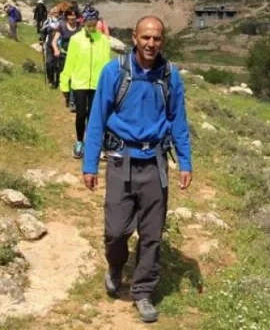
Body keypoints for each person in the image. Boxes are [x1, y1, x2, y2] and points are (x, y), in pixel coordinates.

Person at [81, 16, 193, 324]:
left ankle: (143, 291)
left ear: (163, 41)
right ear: (134, 37)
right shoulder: (114, 72)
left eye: (156, 38)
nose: (150, 44)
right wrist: (89, 164)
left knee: (152, 234)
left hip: (155, 164)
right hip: (120, 160)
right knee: (116, 231)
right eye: (145, 37)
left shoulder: (170, 76)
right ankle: (116, 266)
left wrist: (185, 161)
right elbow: (96, 121)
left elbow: (178, 121)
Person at [60, 7, 112, 159]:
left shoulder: (103, 40)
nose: (91, 26)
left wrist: (108, 84)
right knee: (81, 114)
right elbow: (69, 62)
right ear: (83, 22)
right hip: (79, 83)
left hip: (97, 83)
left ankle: (97, 144)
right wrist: (64, 83)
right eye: (88, 23)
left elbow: (107, 63)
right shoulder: (76, 40)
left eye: (93, 23)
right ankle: (79, 142)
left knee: (95, 115)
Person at [52, 8, 81, 110]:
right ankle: (67, 96)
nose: (71, 20)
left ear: (76, 17)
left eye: (73, 17)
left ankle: (73, 100)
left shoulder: (80, 28)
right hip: (64, 55)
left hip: (77, 56)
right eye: (69, 17)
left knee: (75, 77)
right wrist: (56, 50)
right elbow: (54, 41)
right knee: (66, 77)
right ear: (66, 17)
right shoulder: (62, 26)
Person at [40, 6, 63, 88]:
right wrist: (41, 39)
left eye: (58, 12)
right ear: (52, 13)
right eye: (55, 12)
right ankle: (51, 80)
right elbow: (43, 31)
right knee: (49, 63)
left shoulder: (62, 21)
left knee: (59, 64)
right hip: (49, 44)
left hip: (60, 45)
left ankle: (57, 82)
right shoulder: (48, 21)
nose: (57, 14)